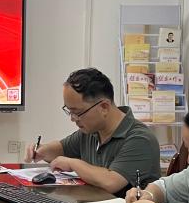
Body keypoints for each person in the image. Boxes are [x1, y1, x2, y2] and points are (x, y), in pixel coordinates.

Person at [26, 68, 160, 194]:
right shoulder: (91, 131)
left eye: (77, 112)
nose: (73, 119)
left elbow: (111, 181)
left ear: (104, 107)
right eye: (69, 111)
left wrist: (73, 163)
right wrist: (41, 151)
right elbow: (61, 149)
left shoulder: (140, 138)